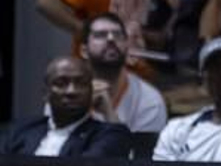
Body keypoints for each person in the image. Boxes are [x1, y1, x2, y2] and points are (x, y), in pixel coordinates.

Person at [2, 56, 132, 159]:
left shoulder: (106, 135)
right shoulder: (20, 130)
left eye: (81, 83)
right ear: (46, 94)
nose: (71, 91)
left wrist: (108, 109)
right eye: (61, 83)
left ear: (91, 91)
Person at [82, 13, 166, 134]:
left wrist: (109, 113)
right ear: (84, 51)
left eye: (118, 35)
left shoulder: (149, 100)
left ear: (127, 47)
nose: (111, 39)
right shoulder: (66, 92)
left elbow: (137, 147)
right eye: (100, 35)